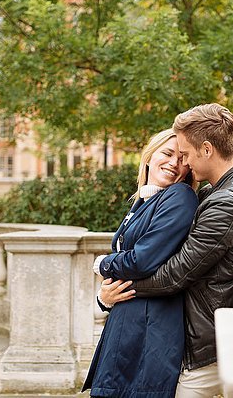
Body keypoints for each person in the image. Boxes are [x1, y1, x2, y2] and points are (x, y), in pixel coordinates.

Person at [100, 103, 233, 398]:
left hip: (205, 344)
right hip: (199, 333)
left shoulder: (228, 202)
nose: (183, 162)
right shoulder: (217, 192)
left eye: (185, 153)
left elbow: (174, 276)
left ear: (207, 149)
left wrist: (113, 286)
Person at [82, 129, 199, 398]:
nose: (174, 163)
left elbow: (143, 260)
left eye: (182, 158)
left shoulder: (180, 196)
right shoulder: (145, 200)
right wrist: (104, 298)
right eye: (167, 154)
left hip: (150, 325)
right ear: (149, 156)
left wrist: (103, 264)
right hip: (128, 320)